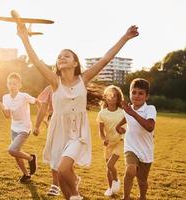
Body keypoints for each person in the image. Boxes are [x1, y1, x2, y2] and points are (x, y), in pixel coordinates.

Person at [16, 21, 139, 199]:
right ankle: (72, 191)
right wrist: (24, 38)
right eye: (59, 57)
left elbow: (106, 59)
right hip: (58, 131)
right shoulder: (54, 81)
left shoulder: (84, 78)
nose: (62, 58)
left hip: (78, 133)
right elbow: (35, 61)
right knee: (61, 172)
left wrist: (125, 38)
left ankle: (76, 194)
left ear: (75, 63)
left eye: (66, 56)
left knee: (64, 169)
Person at [116, 78, 157, 200]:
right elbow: (126, 118)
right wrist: (118, 126)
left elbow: (150, 127)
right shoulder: (128, 109)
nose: (136, 96)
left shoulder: (150, 109)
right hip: (130, 147)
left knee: (142, 180)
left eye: (141, 93)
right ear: (130, 93)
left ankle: (142, 197)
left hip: (145, 150)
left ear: (146, 96)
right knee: (130, 171)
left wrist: (132, 113)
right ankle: (126, 197)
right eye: (133, 92)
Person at [0, 72, 40, 183]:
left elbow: (37, 102)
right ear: (7, 85)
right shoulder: (5, 97)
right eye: (10, 83)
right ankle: (26, 175)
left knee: (12, 150)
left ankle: (31, 158)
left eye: (14, 84)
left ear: (19, 85)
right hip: (14, 127)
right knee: (16, 153)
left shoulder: (24, 96)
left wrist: (41, 118)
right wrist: (2, 108)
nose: (12, 86)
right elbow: (8, 116)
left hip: (24, 128)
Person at [96, 85, 124, 196]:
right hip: (108, 144)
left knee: (110, 165)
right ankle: (110, 189)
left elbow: (127, 128)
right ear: (106, 98)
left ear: (118, 98)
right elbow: (101, 131)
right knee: (108, 167)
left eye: (115, 96)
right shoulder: (102, 113)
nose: (112, 99)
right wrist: (103, 140)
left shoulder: (122, 112)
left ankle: (116, 180)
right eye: (110, 96)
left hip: (119, 142)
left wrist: (123, 131)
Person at [33, 85, 61, 196]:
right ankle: (55, 185)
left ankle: (72, 178)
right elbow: (43, 108)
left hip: (70, 123)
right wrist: (37, 126)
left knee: (67, 153)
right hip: (54, 122)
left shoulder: (73, 86)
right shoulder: (50, 88)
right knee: (55, 153)